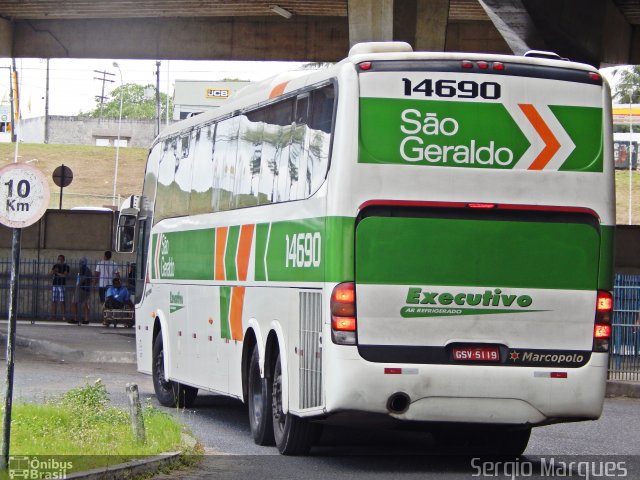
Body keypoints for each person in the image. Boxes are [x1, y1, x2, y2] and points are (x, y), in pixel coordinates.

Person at [71, 257, 92, 325]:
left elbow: (83, 278)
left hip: (81, 288)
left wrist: (79, 285)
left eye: (81, 261)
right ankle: (86, 319)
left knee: (74, 302)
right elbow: (91, 279)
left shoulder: (83, 268)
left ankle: (75, 318)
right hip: (87, 288)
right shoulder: (88, 269)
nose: (79, 262)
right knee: (85, 303)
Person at [50, 254, 69, 321]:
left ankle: (63, 316)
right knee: (54, 300)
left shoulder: (66, 266)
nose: (59, 260)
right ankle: (53, 316)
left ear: (63, 260)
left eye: (61, 259)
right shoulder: (55, 266)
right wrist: (54, 271)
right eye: (58, 259)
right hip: (55, 284)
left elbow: (65, 275)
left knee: (62, 301)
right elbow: (50, 273)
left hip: (62, 285)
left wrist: (57, 273)